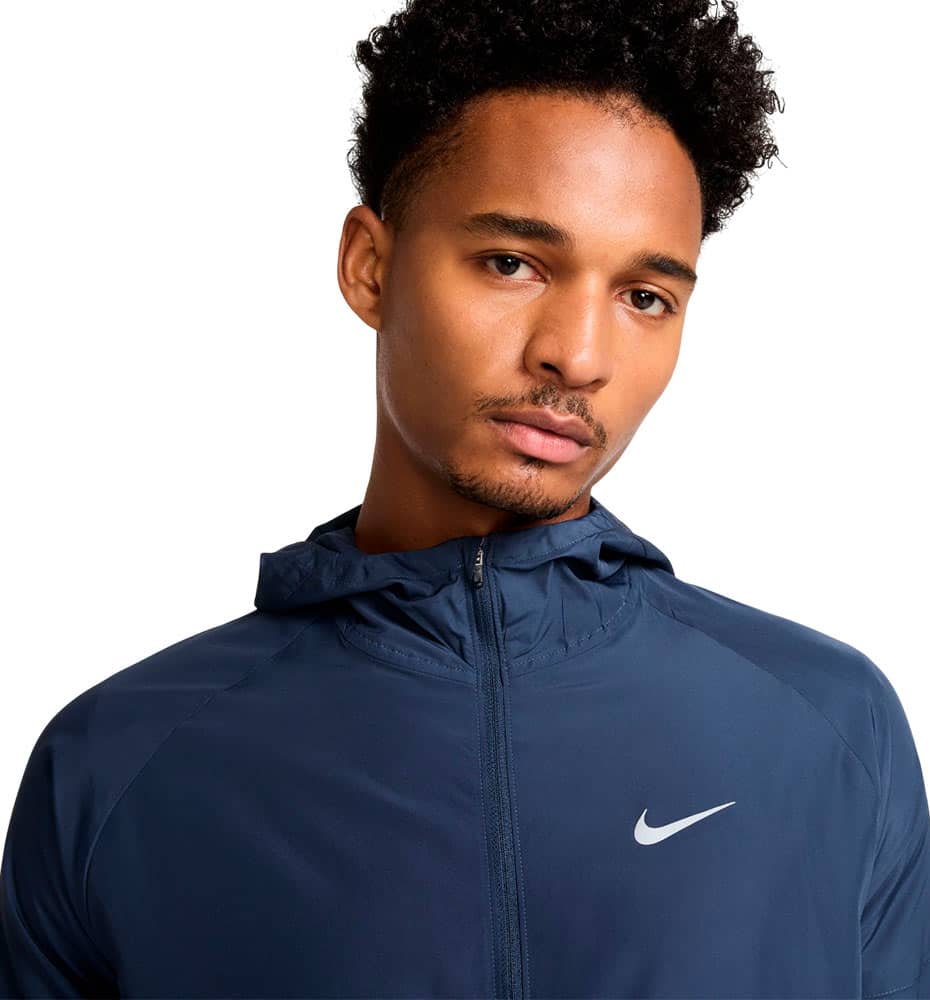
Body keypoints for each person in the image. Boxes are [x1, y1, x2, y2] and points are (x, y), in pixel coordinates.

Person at [2, 0, 928, 995]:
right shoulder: (120, 764)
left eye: (644, 296)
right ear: (370, 267)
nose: (577, 354)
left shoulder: (830, 731)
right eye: (513, 263)